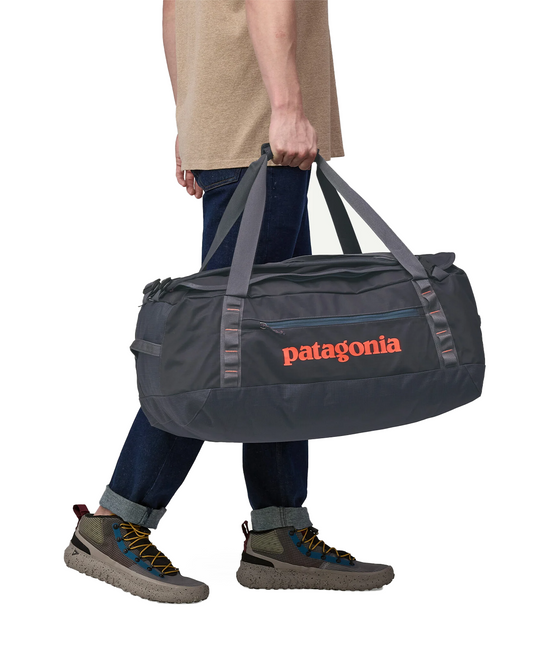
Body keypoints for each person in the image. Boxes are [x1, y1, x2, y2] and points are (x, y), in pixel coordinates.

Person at [64, 0, 394, 604]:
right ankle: (116, 520)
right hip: (262, 133)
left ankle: (279, 530)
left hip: (229, 129)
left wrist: (190, 121)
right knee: (217, 347)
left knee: (275, 343)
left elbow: (174, 10)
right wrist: (287, 109)